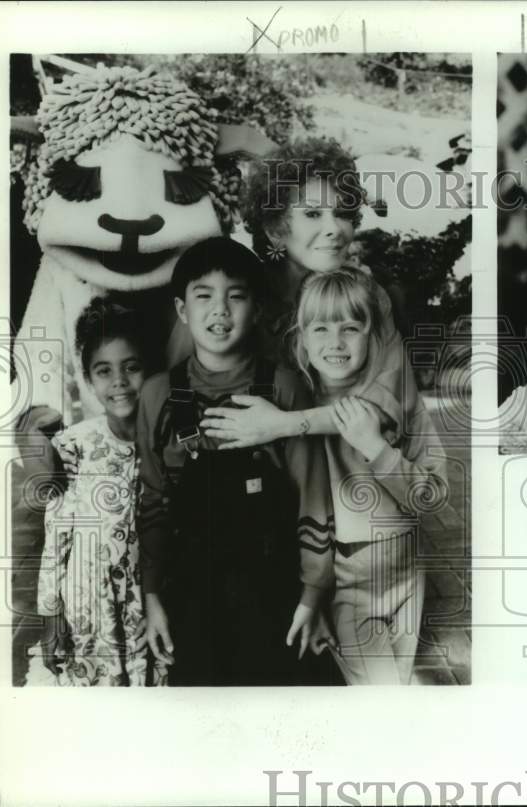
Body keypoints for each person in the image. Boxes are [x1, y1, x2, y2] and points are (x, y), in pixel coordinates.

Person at [136, 237, 334, 686]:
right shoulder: (157, 395)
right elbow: (152, 502)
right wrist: (152, 596)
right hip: (188, 595)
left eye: (237, 297)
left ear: (258, 309)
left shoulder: (284, 389)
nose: (220, 311)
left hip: (275, 593)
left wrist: (313, 596)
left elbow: (314, 499)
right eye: (203, 296)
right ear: (183, 310)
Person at [195, 136, 420, 448]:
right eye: (313, 214)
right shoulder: (239, 297)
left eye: (342, 213)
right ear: (275, 229)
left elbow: (389, 404)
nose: (335, 229)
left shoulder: (368, 295)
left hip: (349, 473)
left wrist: (283, 424)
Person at [294, 270, 446, 684]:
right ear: (303, 340)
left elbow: (431, 496)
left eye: (351, 327)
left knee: (392, 685)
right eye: (321, 327)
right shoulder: (298, 406)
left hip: (407, 571)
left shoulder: (394, 401)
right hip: (349, 579)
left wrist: (377, 448)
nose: (335, 341)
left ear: (372, 335)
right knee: (384, 695)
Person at [36, 299, 163, 685]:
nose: (119, 382)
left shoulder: (168, 445)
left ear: (151, 371)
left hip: (149, 605)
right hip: (89, 608)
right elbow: (56, 537)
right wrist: (50, 613)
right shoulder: (74, 446)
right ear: (89, 379)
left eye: (132, 367)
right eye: (104, 371)